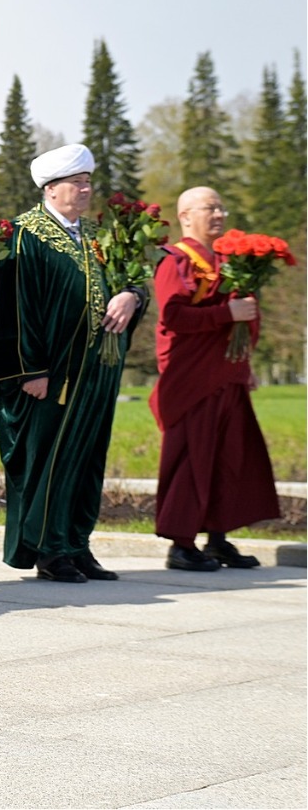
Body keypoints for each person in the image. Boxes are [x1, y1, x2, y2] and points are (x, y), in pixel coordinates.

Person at [0, 144, 145, 584]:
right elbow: (16, 307)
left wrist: (132, 296)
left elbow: (132, 281)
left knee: (87, 457)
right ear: (51, 189)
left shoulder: (96, 237)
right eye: (78, 182)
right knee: (48, 460)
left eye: (89, 182)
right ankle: (48, 549)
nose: (87, 189)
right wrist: (30, 369)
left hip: (96, 371)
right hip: (49, 376)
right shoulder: (24, 235)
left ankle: (76, 542)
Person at [150, 187, 277, 571]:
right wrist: (228, 314)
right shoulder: (175, 261)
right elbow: (174, 318)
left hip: (228, 375)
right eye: (210, 207)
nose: (219, 213)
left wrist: (244, 362)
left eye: (222, 206)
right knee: (194, 458)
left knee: (229, 458)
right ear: (186, 216)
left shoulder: (229, 260)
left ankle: (218, 538)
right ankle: (181, 544)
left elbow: (240, 315)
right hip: (193, 380)